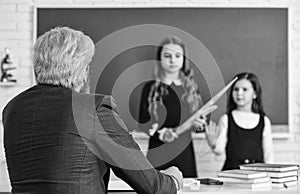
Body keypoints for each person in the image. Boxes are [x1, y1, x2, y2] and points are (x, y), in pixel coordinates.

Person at [2, 27, 183, 194]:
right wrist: (173, 178)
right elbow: (152, 186)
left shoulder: (12, 109)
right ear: (80, 68)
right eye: (88, 66)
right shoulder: (92, 108)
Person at [138, 36, 205, 178]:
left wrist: (200, 124)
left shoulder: (191, 88)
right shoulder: (150, 88)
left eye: (177, 56)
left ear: (183, 59)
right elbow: (143, 123)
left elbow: (199, 127)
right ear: (159, 59)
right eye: (167, 56)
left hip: (184, 153)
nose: (172, 60)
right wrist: (159, 132)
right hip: (158, 151)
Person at [205, 72, 274, 171]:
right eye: (236, 89)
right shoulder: (226, 119)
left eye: (245, 89)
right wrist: (212, 142)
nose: (239, 93)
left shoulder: (264, 121)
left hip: (257, 175)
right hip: (232, 174)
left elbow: (268, 155)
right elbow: (219, 150)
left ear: (255, 94)